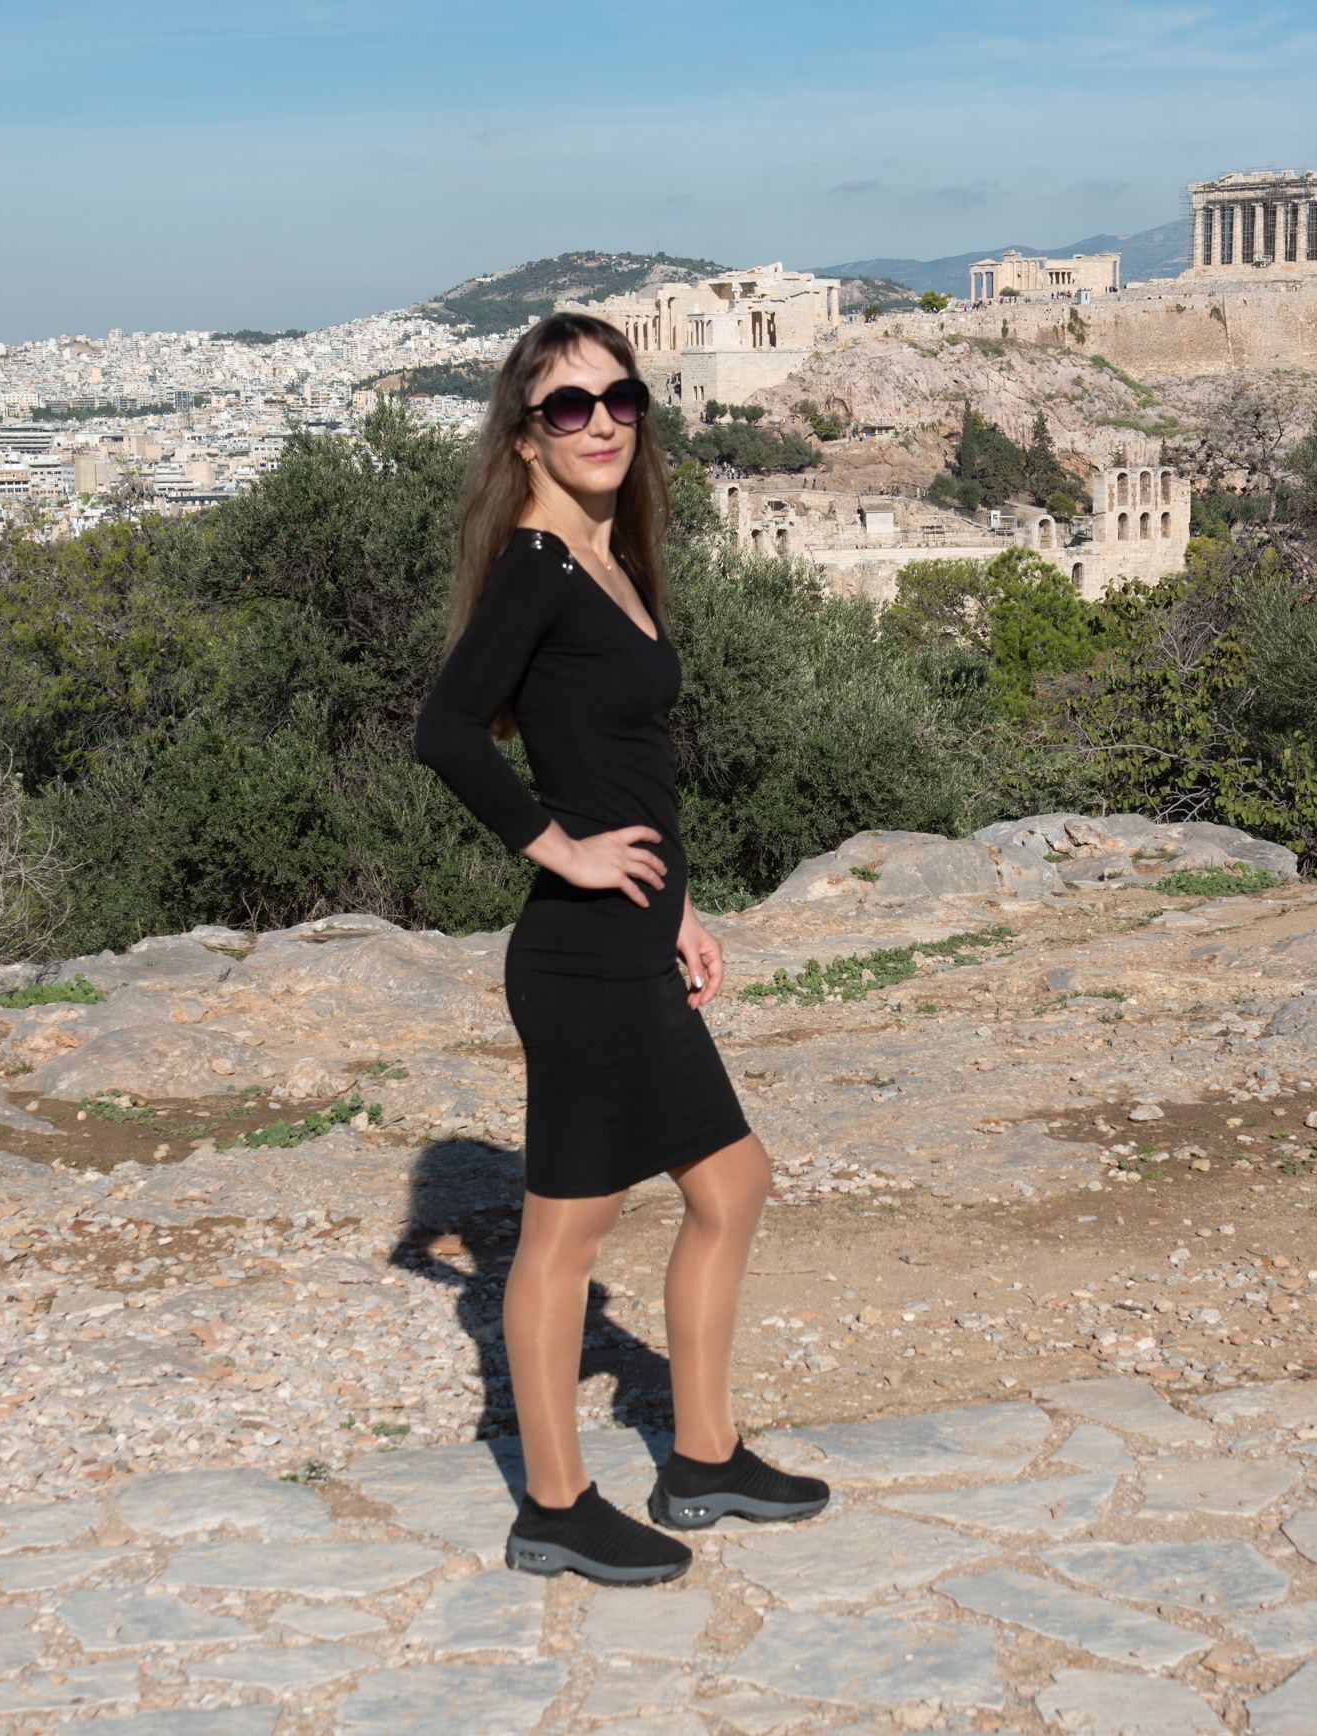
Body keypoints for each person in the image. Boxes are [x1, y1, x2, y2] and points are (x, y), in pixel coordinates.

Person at [412, 312, 829, 1586]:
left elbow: (627, 770)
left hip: (636, 949)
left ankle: (701, 1457)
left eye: (618, 398)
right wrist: (564, 850)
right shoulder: (537, 565)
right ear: (524, 435)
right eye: (565, 406)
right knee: (563, 1239)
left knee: (732, 1183)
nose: (599, 421)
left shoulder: (612, 561)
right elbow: (444, 731)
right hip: (579, 964)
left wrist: (679, 907)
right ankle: (552, 1502)